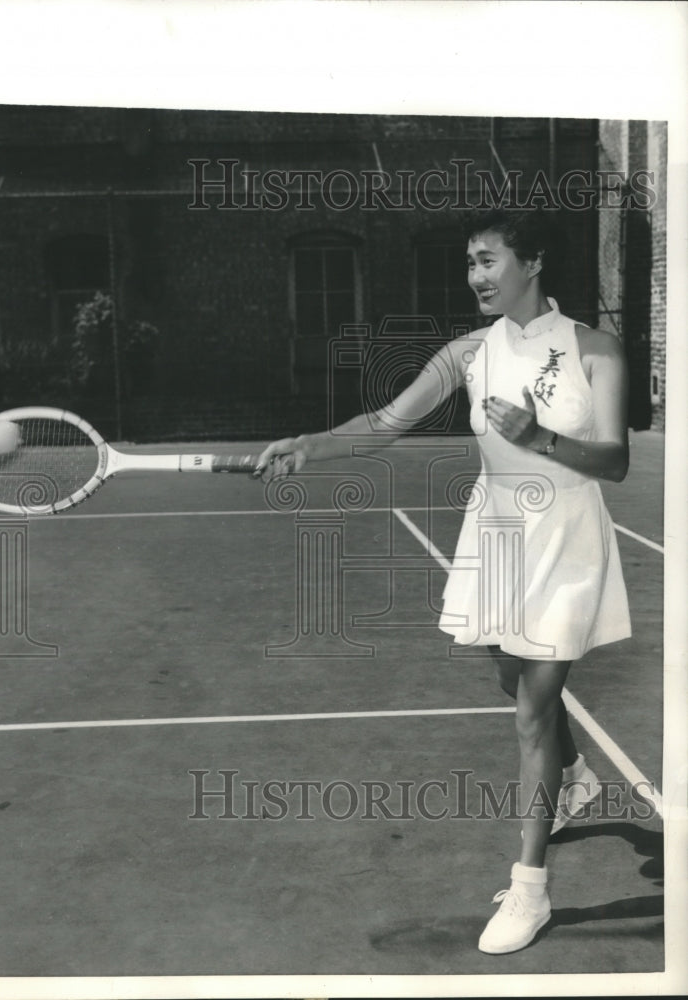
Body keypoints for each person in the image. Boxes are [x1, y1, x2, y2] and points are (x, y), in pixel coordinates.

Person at [255, 208, 631, 955]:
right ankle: (576, 773)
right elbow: (386, 422)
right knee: (510, 680)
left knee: (533, 707)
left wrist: (540, 437)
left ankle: (531, 890)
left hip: (564, 534)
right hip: (495, 528)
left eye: (489, 260)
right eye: (470, 262)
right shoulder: (467, 352)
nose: (477, 277)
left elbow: (615, 459)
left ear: (532, 263)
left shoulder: (596, 350)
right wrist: (311, 446)